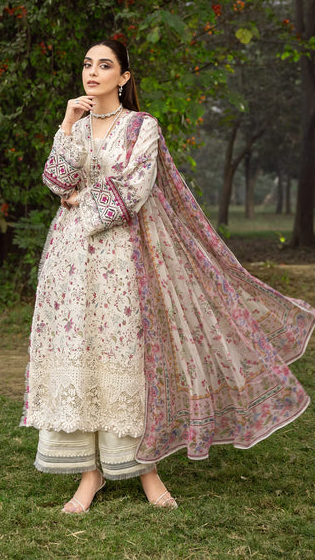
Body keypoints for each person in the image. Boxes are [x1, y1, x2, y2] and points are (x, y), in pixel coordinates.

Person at [21, 39, 314, 514]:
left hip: (123, 259)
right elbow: (56, 181)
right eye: (87, 64)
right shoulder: (75, 125)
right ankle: (90, 474)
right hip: (69, 264)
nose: (92, 72)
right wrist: (67, 125)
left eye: (104, 65)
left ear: (124, 77)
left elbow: (134, 189)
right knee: (80, 353)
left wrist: (79, 201)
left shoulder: (143, 127)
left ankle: (145, 467)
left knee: (123, 356)